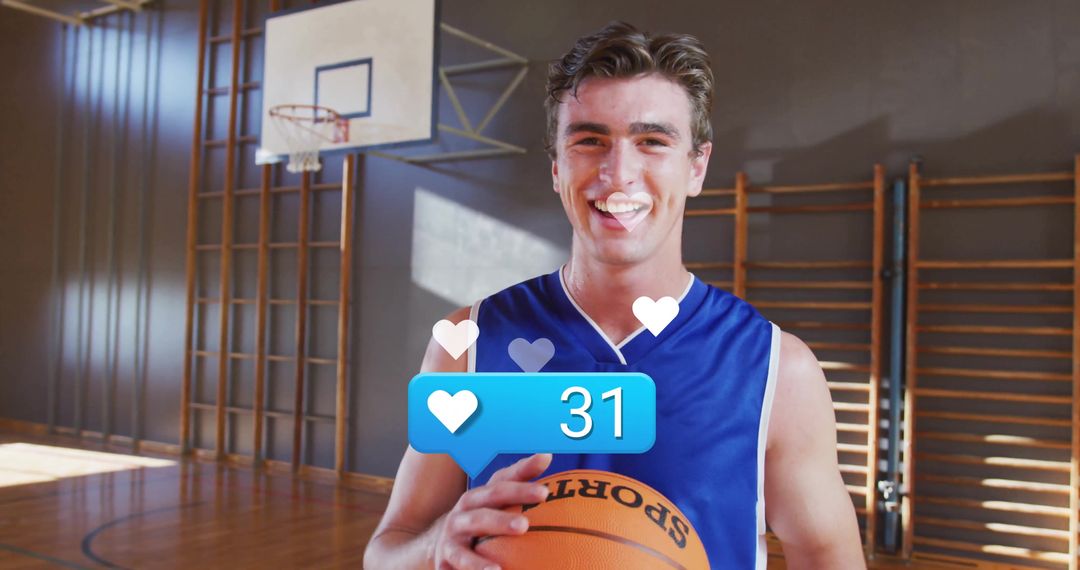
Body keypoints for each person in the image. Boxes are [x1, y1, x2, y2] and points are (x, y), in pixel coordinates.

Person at [363, 21, 864, 570]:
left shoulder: (776, 370)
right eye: (589, 140)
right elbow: (386, 553)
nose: (618, 173)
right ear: (557, 167)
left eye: (652, 141)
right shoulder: (470, 348)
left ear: (696, 167)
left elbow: (827, 556)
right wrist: (434, 545)